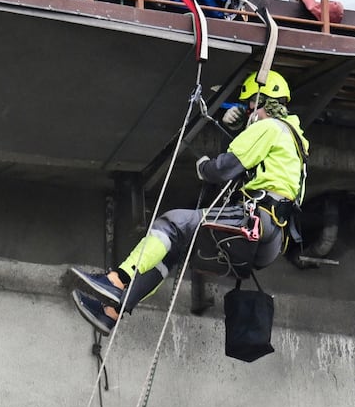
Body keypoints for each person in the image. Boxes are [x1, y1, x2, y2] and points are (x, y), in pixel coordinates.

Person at [68, 70, 308, 336]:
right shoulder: (296, 139)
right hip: (271, 239)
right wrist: (235, 126)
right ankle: (112, 312)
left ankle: (117, 279)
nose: (249, 110)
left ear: (265, 101)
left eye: (252, 104)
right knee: (172, 251)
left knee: (171, 224)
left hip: (257, 222)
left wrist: (204, 166)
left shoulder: (269, 127)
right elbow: (261, 164)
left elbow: (222, 169)